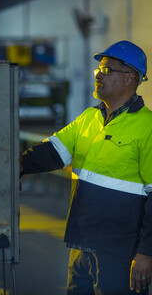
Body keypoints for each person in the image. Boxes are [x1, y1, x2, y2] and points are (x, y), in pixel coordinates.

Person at [20, 40, 152, 295]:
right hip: (82, 242)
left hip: (119, 250)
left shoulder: (147, 128)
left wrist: (146, 253)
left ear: (130, 78)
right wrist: (17, 164)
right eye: (98, 70)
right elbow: (53, 152)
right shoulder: (89, 118)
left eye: (107, 70)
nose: (99, 76)